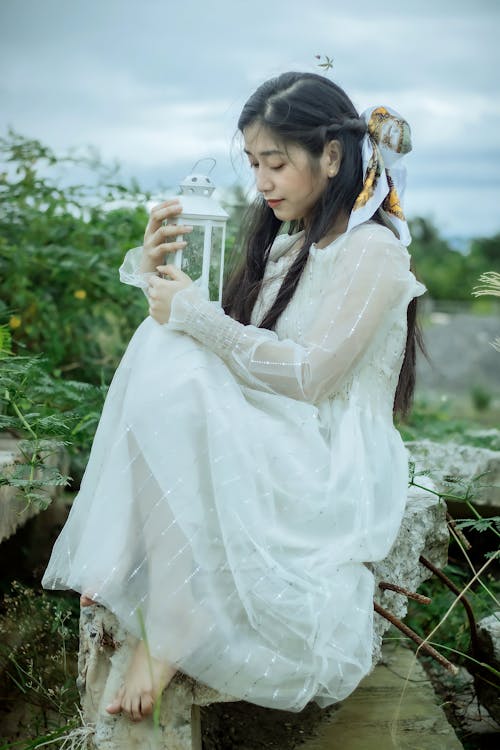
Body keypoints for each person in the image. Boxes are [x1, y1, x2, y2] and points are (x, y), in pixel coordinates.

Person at [43, 71, 425, 722]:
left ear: (331, 156)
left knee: (178, 349)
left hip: (326, 458)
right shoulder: (292, 243)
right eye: (253, 164)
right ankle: (169, 595)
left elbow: (311, 378)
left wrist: (196, 316)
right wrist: (154, 270)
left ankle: (174, 611)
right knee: (166, 346)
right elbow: (219, 341)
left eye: (274, 163)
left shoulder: (375, 253)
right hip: (282, 431)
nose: (261, 182)